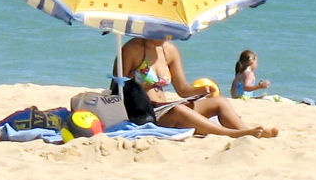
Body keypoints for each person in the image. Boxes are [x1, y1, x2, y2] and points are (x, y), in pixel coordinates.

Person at [117, 35, 277, 138]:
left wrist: (201, 91)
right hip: (145, 111)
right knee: (179, 110)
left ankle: (246, 131)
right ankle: (233, 134)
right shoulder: (133, 48)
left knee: (219, 102)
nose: (166, 34)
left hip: (166, 107)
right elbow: (117, 87)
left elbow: (182, 89)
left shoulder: (169, 51)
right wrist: (138, 84)